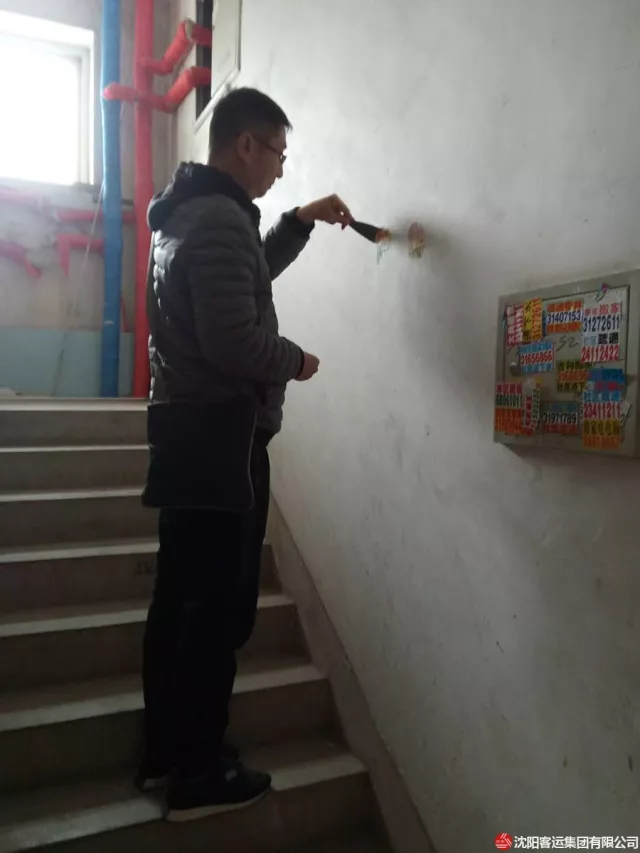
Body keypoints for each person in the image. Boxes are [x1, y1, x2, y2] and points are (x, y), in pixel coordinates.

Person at [139, 87, 353, 823]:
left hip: (187, 431)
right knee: (215, 608)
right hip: (222, 438)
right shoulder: (219, 222)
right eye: (278, 155)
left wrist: (298, 222)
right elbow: (236, 340)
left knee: (180, 599)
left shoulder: (189, 215)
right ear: (245, 146)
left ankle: (167, 749)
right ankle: (198, 773)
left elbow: (242, 280)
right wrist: (297, 360)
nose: (281, 169)